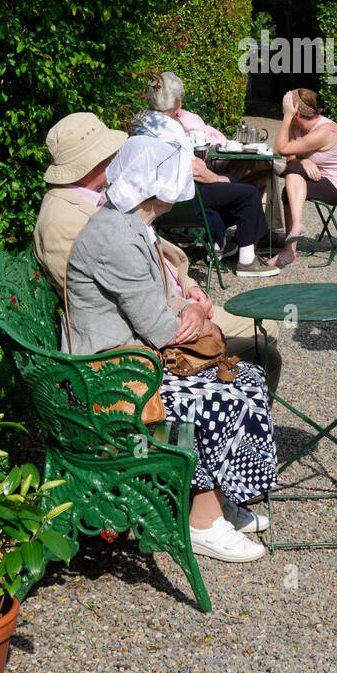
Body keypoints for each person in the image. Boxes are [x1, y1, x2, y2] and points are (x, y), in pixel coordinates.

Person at [64, 133, 279, 563]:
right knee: (225, 394)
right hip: (113, 378)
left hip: (134, 358)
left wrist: (188, 308)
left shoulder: (128, 223)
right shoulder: (118, 237)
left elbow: (158, 303)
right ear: (157, 187)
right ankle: (202, 521)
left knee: (247, 376)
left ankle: (218, 497)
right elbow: (163, 330)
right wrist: (192, 315)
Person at [32, 112, 282, 391]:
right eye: (107, 153)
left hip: (161, 315)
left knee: (254, 351)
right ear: (90, 162)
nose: (115, 157)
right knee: (261, 349)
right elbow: (102, 300)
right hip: (124, 360)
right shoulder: (65, 220)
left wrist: (188, 295)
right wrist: (194, 316)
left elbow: (136, 282)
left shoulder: (109, 202)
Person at [133, 78, 278, 278]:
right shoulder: (170, 126)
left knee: (229, 182)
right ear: (177, 101)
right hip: (181, 199)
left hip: (155, 195)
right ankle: (246, 260)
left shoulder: (139, 119)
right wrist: (215, 179)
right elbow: (193, 170)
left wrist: (217, 177)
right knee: (248, 194)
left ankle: (220, 243)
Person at [269, 89, 337, 269]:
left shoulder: (324, 132)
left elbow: (278, 149)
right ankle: (294, 237)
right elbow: (290, 159)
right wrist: (304, 160)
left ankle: (292, 241)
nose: (283, 113)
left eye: (287, 110)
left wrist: (287, 118)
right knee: (291, 178)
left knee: (291, 182)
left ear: (297, 113)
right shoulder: (298, 126)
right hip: (321, 177)